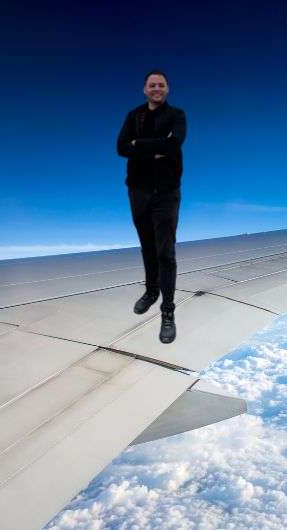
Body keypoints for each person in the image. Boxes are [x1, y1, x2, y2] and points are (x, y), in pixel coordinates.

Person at [117, 69, 187, 343]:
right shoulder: (133, 115)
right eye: (151, 85)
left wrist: (139, 145)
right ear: (145, 89)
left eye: (161, 85)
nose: (156, 88)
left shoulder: (177, 115)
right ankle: (151, 291)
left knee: (165, 253)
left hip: (166, 193)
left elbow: (174, 144)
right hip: (138, 191)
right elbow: (121, 147)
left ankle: (167, 312)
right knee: (147, 247)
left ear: (167, 89)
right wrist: (154, 148)